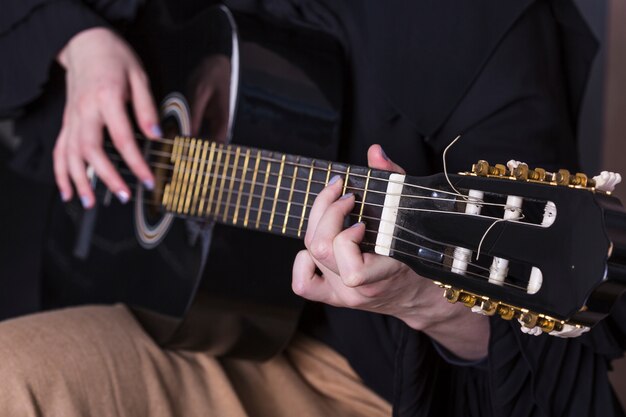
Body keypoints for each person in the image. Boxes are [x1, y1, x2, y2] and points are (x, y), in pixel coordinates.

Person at [1, 0, 625, 416]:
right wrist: (79, 40)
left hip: (350, 379)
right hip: (175, 309)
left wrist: (421, 303)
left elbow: (536, 361)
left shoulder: (485, 26)